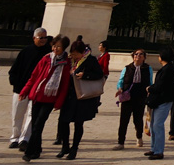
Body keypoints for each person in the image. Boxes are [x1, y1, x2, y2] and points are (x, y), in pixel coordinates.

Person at [20, 34, 70, 163]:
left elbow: (64, 84)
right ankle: (37, 150)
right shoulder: (46, 58)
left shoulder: (66, 63)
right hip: (37, 95)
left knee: (38, 125)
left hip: (49, 99)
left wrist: (59, 102)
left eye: (58, 46)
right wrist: (25, 90)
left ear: (64, 48)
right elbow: (34, 76)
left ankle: (29, 152)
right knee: (36, 125)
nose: (55, 48)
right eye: (54, 45)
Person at [56, 40, 105, 160]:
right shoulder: (70, 60)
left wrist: (86, 75)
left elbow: (100, 75)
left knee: (78, 124)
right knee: (63, 122)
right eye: (72, 54)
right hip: (69, 96)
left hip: (82, 97)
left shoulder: (91, 60)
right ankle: (65, 146)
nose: (73, 56)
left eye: (76, 54)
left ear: (83, 52)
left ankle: (74, 149)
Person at [8, 27, 51, 151]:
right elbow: (14, 70)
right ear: (34, 38)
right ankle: (15, 138)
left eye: (45, 37)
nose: (43, 40)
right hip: (21, 88)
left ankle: (25, 139)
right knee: (17, 114)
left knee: (32, 115)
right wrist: (16, 84)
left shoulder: (48, 53)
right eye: (41, 37)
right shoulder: (25, 51)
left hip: (37, 90)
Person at [113, 49, 151, 151]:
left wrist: (149, 91)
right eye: (136, 54)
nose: (138, 56)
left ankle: (139, 137)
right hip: (127, 97)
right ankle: (121, 142)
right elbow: (121, 81)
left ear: (144, 57)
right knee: (123, 121)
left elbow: (150, 81)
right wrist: (120, 89)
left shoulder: (148, 68)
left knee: (137, 120)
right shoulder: (127, 68)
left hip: (140, 97)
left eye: (140, 54)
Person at [145, 47, 174, 161]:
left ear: (162, 57)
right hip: (160, 100)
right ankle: (154, 148)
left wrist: (149, 88)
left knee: (157, 125)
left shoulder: (167, 69)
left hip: (164, 100)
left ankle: (159, 151)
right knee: (153, 125)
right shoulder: (167, 68)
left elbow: (160, 86)